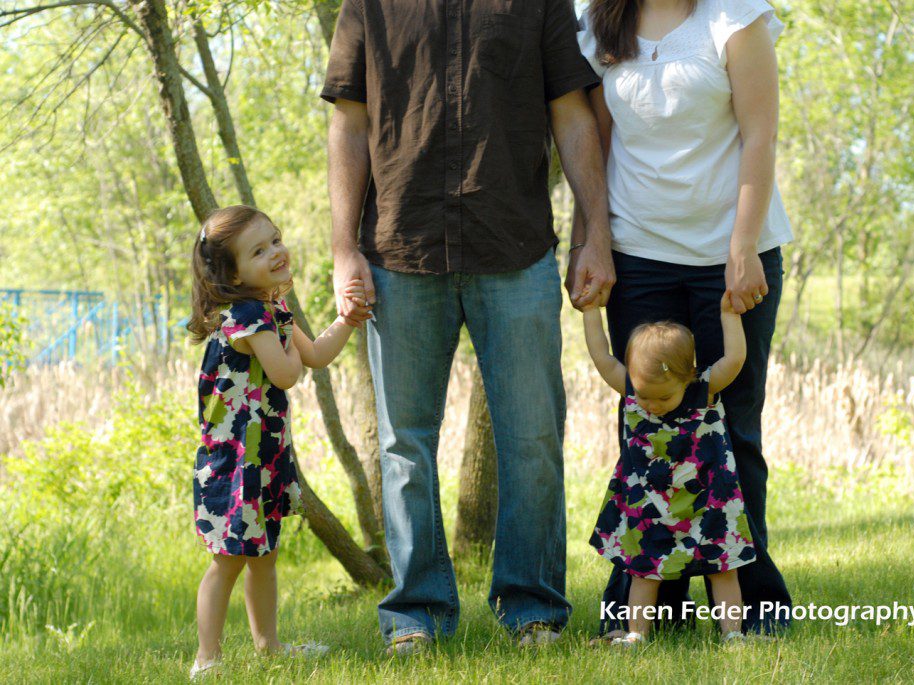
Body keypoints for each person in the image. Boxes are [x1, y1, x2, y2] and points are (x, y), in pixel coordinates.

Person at [320, 0, 615, 654]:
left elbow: (572, 114)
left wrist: (595, 234)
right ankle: (415, 616)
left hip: (515, 248)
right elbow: (349, 122)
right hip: (399, 250)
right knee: (404, 446)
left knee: (533, 438)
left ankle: (533, 610)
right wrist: (343, 249)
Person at [575, 0, 795, 638]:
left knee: (732, 430)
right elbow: (595, 146)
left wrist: (743, 247)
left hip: (730, 259)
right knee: (645, 427)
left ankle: (755, 609)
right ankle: (648, 612)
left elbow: (760, 135)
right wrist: (587, 242)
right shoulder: (598, 21)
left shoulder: (736, 19)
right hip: (637, 255)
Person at [186, 205, 369, 678]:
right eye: (258, 251)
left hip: (262, 458)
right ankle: (206, 659)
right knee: (227, 561)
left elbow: (317, 355)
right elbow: (288, 373)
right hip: (235, 465)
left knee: (264, 556)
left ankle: (269, 647)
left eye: (275, 240)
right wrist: (286, 335)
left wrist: (347, 320)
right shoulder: (249, 316)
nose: (275, 252)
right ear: (232, 275)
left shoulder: (270, 310)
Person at [581, 292, 755, 646]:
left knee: (724, 568)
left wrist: (729, 315)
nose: (652, 405)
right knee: (644, 571)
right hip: (651, 506)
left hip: (709, 502)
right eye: (645, 396)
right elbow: (601, 356)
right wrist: (590, 311)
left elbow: (735, 358)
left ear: (688, 376)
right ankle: (636, 634)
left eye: (663, 397)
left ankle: (733, 634)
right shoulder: (632, 390)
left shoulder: (703, 391)